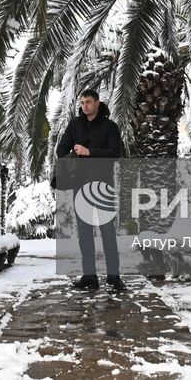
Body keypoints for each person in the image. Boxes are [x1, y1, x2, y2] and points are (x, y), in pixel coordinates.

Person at [55, 88, 125, 291]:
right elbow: (61, 150)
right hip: (80, 186)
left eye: (88, 102)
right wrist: (74, 153)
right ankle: (90, 276)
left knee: (107, 232)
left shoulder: (110, 127)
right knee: (84, 234)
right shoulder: (75, 125)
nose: (84, 106)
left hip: (103, 186)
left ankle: (114, 276)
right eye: (82, 102)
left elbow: (114, 153)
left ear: (97, 103)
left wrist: (89, 152)